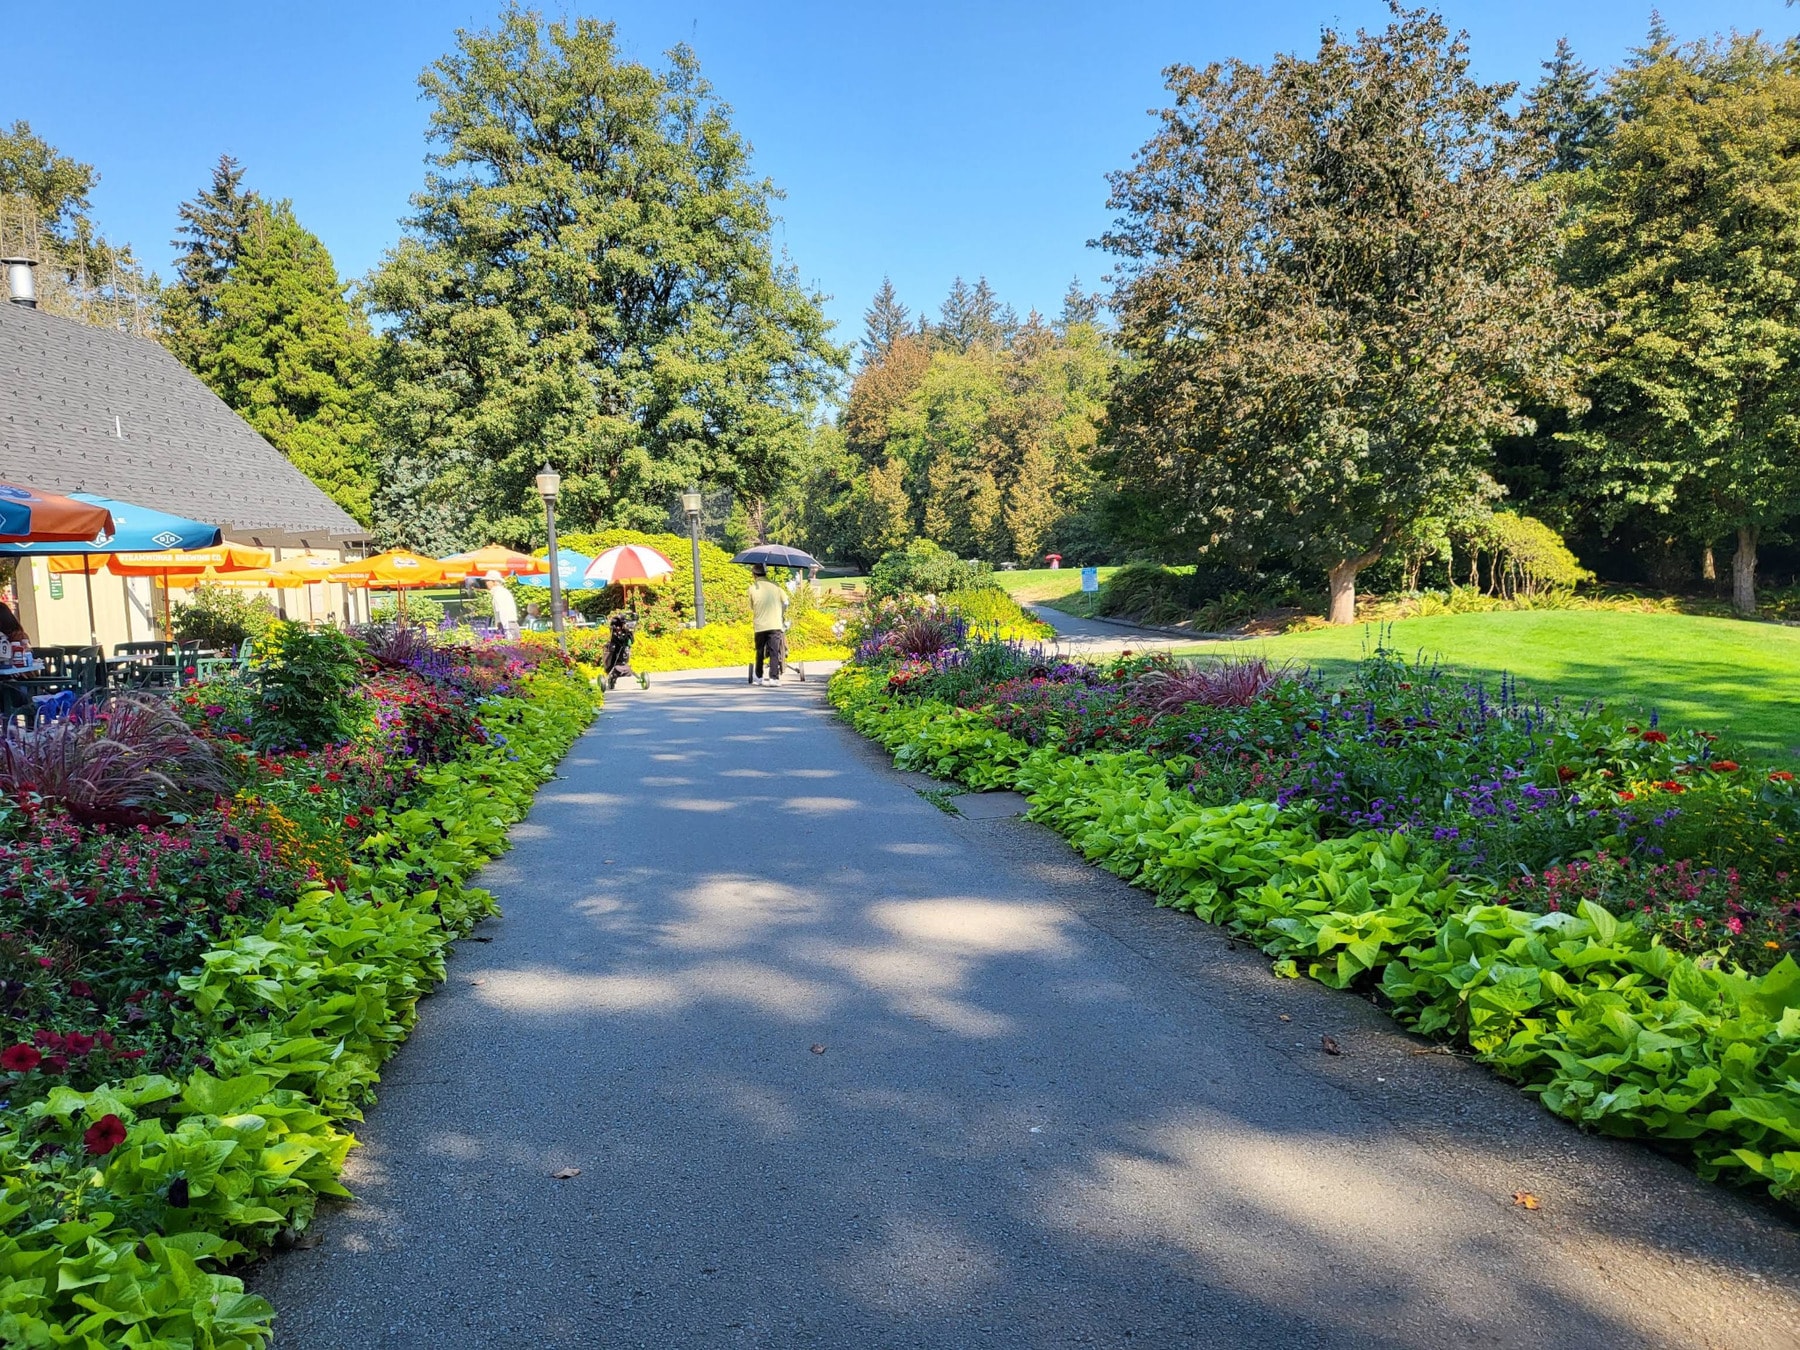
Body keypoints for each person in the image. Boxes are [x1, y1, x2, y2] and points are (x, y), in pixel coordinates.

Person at [747, 563, 788, 685]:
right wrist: (781, 612)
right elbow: (786, 602)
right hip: (775, 623)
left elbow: (752, 606)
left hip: (760, 625)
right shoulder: (776, 586)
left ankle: (759, 677)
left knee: (759, 650)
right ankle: (773, 678)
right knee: (774, 651)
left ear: (754, 575)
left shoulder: (752, 588)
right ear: (765, 573)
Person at [485, 574, 521, 640]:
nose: (486, 583)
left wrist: (507, 631)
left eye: (488, 580)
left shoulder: (499, 593)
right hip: (508, 625)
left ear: (494, 581)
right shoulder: (501, 592)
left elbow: (503, 612)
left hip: (508, 625)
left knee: (510, 648)